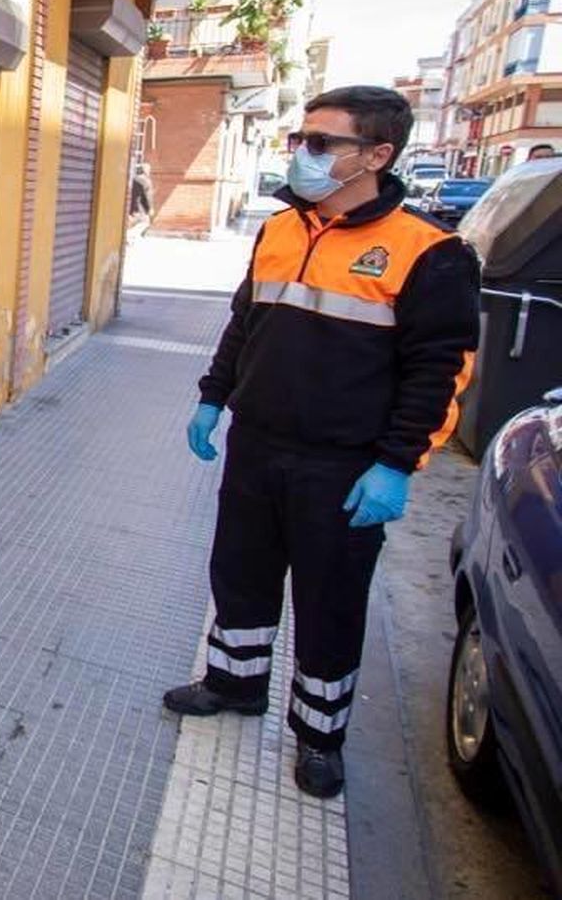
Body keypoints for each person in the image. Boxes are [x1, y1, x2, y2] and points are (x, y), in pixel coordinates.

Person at [164, 86, 480, 799]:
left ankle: (319, 736)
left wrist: (397, 465)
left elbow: (441, 371)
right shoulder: (279, 230)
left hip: (344, 465)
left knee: (329, 599)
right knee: (240, 573)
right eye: (299, 139)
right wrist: (214, 397)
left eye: (320, 143)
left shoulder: (431, 252)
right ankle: (233, 683)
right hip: (257, 443)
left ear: (377, 154)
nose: (301, 154)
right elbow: (245, 323)